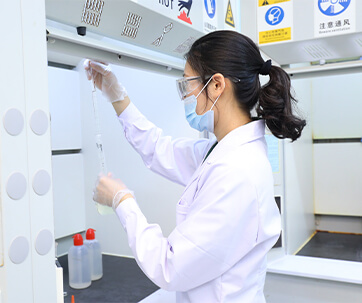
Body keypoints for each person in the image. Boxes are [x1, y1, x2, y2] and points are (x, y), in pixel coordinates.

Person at [85, 30, 306, 303]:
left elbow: (169, 266)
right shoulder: (223, 151)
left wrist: (122, 201)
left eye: (187, 84)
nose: (185, 95)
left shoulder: (236, 172)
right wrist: (117, 96)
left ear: (216, 85)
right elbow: (158, 149)